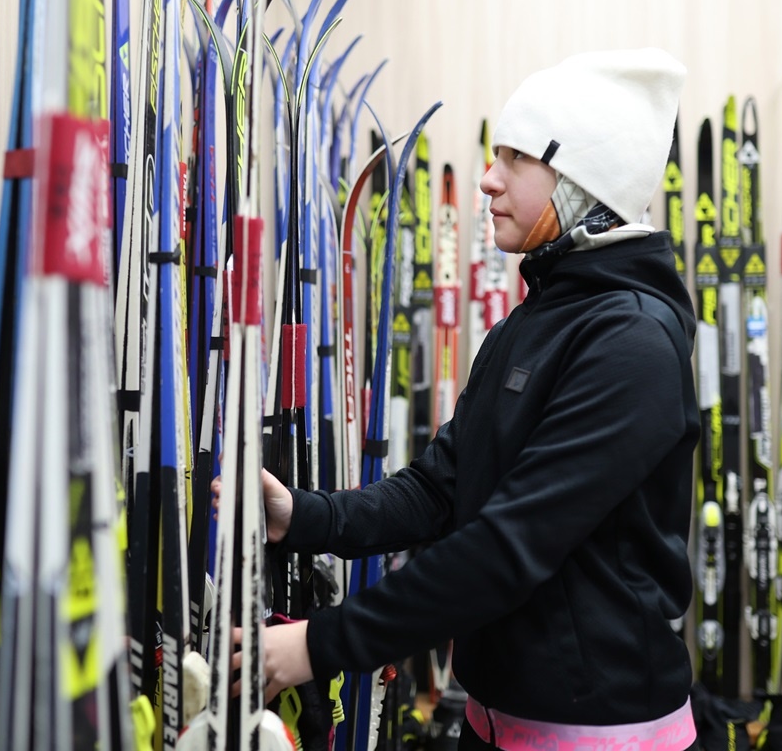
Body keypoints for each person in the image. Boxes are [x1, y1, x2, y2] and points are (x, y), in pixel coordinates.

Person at [252, 47, 699, 750]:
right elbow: (442, 488)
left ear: (583, 178)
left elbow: (507, 547)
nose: (487, 180)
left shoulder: (632, 345)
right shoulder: (533, 321)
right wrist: (305, 516)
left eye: (515, 158)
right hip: (494, 717)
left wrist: (319, 645)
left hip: (599, 732)